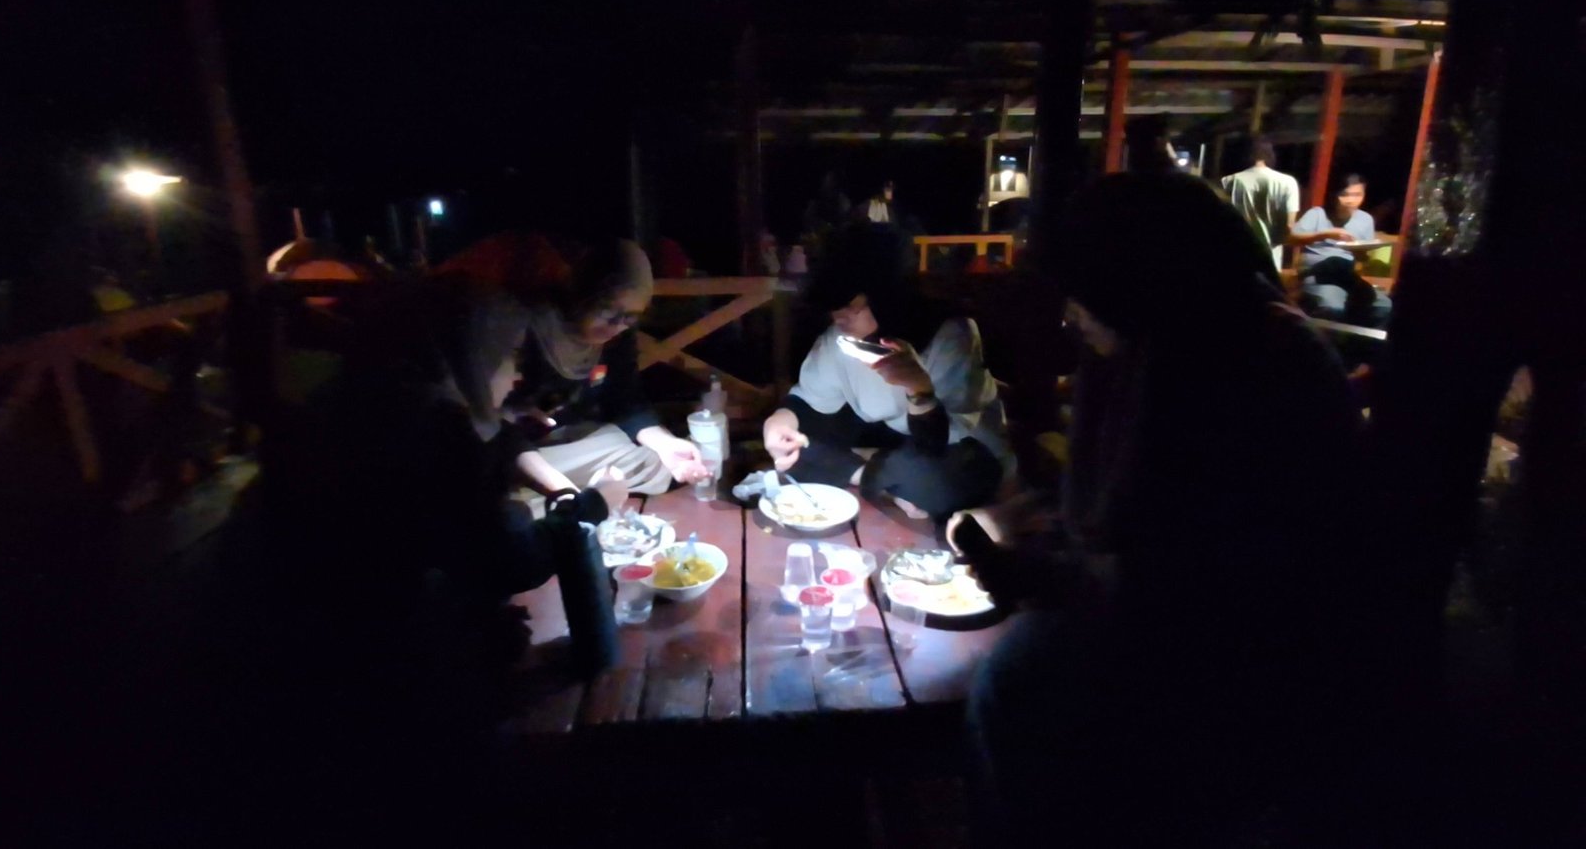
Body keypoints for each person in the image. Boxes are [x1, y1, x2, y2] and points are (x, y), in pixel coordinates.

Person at [961, 173, 1383, 843]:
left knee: (1016, 681)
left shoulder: (1245, 363)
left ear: (1138, 282)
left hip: (1255, 663)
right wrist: (1036, 536)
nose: (1071, 315)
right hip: (1181, 624)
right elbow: (1124, 530)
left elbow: (1195, 582)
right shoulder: (1168, 341)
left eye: (1084, 295)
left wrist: (1042, 575)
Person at [424, 233, 709, 511]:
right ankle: (555, 500)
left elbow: (625, 399)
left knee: (658, 463)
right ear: (581, 294)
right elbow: (494, 427)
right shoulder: (526, 329)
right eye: (607, 309)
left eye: (630, 317)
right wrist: (568, 494)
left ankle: (561, 498)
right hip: (517, 450)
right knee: (502, 495)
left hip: (573, 442)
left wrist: (665, 444)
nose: (617, 325)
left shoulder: (617, 339)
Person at [762, 227, 1009, 521]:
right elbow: (808, 402)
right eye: (835, 307)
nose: (839, 316)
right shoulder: (839, 338)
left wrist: (918, 388)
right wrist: (779, 422)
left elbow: (936, 443)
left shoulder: (950, 335)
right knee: (796, 451)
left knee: (929, 480)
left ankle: (877, 475)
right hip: (895, 446)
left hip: (963, 451)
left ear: (888, 296)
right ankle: (881, 479)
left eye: (852, 305)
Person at [1289, 173, 1392, 327]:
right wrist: (1326, 234)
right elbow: (1292, 238)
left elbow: (1363, 258)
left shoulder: (1365, 219)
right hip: (1317, 274)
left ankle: (1361, 340)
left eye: (1357, 195)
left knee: (1383, 305)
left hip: (1345, 275)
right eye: (1345, 195)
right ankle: (1325, 339)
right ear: (1335, 195)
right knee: (1333, 306)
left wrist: (1361, 252)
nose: (1351, 200)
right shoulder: (1317, 214)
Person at [1221, 137, 1301, 271]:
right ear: (1270, 155)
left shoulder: (1229, 181)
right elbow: (1288, 225)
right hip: (1271, 258)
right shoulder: (1288, 182)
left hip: (1236, 254)